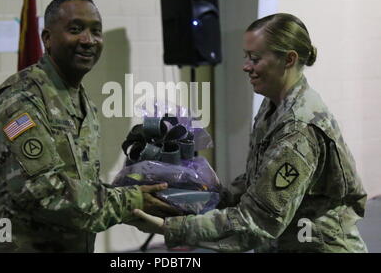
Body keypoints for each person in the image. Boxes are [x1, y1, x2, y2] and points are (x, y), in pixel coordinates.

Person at [131, 13, 368, 253]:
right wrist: (206, 198)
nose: (246, 66)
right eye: (246, 57)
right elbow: (258, 179)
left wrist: (172, 228)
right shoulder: (274, 105)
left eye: (255, 58)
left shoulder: (298, 128)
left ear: (288, 59)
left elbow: (257, 221)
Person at [0, 0, 175, 252]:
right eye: (75, 30)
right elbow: (43, 194)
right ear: (47, 39)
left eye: (96, 31)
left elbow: (80, 190)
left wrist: (145, 198)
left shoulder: (80, 101)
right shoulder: (20, 102)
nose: (88, 40)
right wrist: (132, 200)